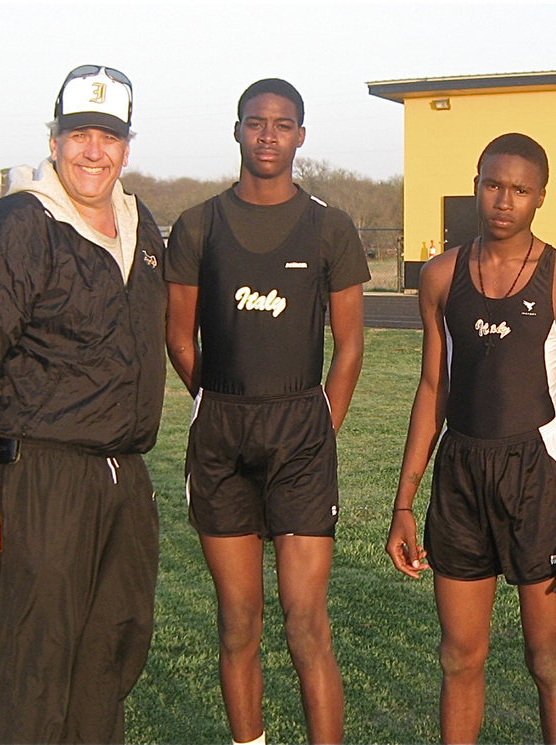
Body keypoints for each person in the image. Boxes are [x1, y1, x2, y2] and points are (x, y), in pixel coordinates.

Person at [0, 65, 165, 743]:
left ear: (127, 144)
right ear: (55, 137)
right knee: (29, 675)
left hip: (122, 478)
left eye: (108, 135)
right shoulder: (17, 225)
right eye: (78, 134)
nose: (92, 150)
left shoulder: (140, 225)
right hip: (39, 476)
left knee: (107, 662)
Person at [163, 78, 369, 745]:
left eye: (283, 124)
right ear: (238, 130)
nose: (269, 135)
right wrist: (215, 402)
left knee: (306, 620)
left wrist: (319, 425)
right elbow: (178, 335)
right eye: (257, 123)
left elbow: (351, 345)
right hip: (221, 432)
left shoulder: (330, 226)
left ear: (301, 135)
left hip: (301, 434)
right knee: (238, 620)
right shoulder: (199, 224)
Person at [385, 133, 556, 744]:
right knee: (459, 656)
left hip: (536, 472)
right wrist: (404, 503)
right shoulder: (440, 276)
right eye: (492, 185)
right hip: (460, 470)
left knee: (547, 661)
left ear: (540, 197)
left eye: (519, 189)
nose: (503, 200)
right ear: (476, 184)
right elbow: (432, 388)